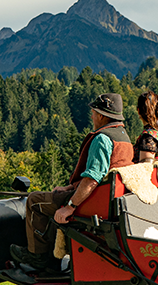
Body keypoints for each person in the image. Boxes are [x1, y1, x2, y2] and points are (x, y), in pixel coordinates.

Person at [11, 93, 134, 272]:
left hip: (93, 201)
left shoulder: (102, 138)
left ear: (101, 115)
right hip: (109, 198)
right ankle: (52, 255)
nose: (91, 116)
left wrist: (70, 206)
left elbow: (92, 179)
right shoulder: (124, 137)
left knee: (35, 201)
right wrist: (70, 187)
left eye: (93, 112)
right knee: (51, 198)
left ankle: (38, 256)